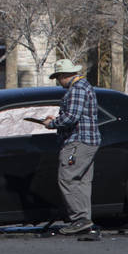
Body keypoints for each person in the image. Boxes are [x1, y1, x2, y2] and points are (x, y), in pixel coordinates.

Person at [43, 58, 100, 235]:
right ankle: (84, 220)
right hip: (88, 140)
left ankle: (79, 219)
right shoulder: (84, 87)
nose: (58, 82)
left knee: (67, 178)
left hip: (77, 141)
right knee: (82, 181)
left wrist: (51, 124)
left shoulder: (77, 89)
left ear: (64, 75)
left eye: (58, 77)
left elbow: (71, 117)